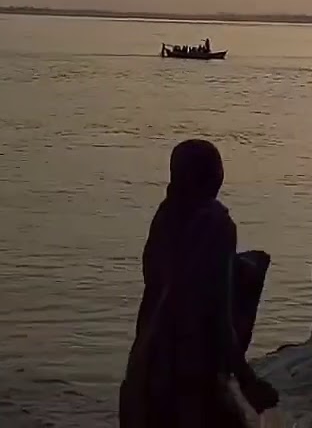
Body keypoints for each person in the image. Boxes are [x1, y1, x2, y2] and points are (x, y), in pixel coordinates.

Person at [119, 139, 280, 427]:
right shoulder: (216, 224)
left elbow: (166, 284)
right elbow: (216, 314)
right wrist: (246, 379)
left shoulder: (165, 217)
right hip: (190, 374)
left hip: (148, 364)